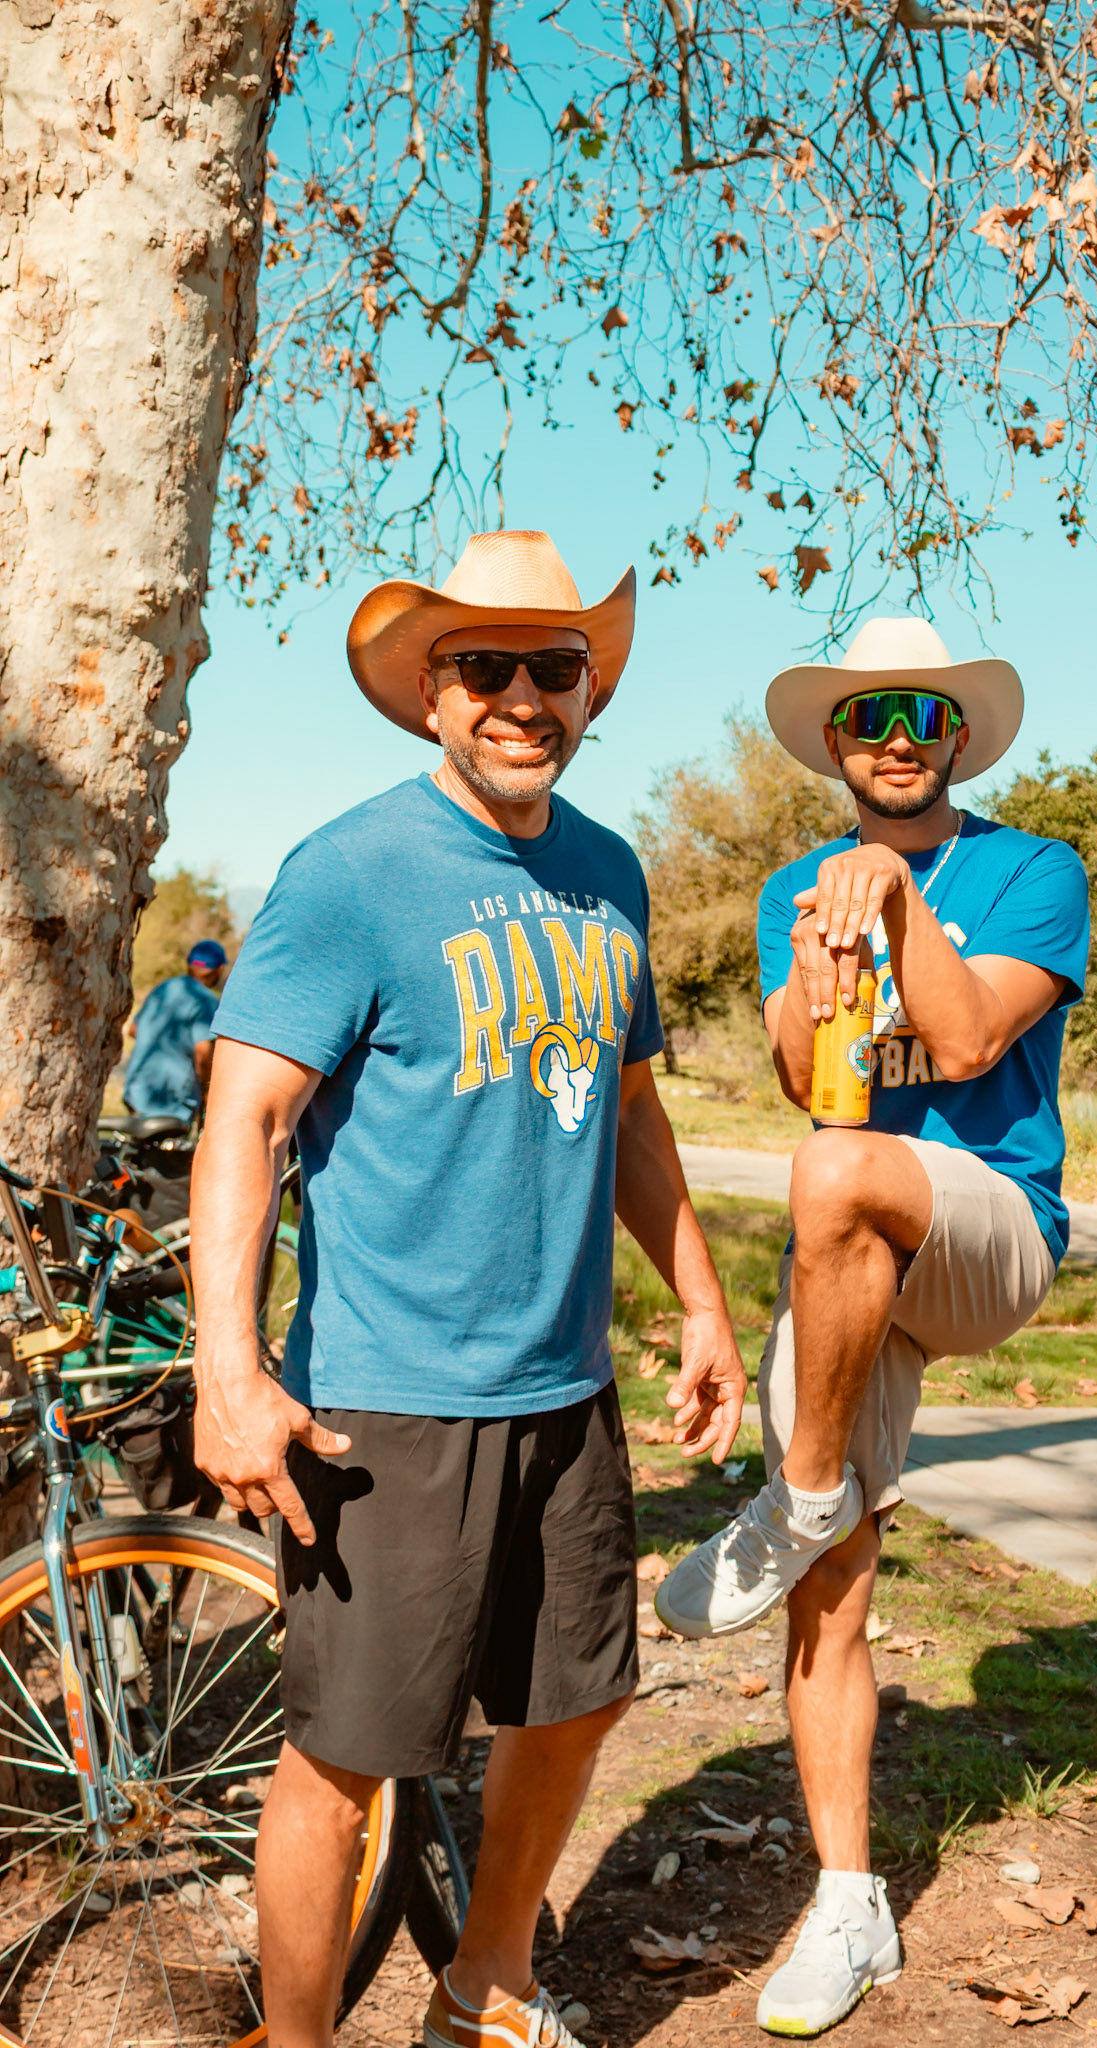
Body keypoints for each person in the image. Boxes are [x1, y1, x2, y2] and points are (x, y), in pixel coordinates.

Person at [190, 530, 747, 2048]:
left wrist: (700, 1300)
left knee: (580, 1698)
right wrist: (228, 1373)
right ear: (431, 695)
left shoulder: (609, 871)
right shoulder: (352, 872)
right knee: (348, 1758)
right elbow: (245, 1116)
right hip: (389, 1402)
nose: (519, 695)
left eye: (551, 666)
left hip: (567, 1384)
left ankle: (483, 1984)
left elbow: (632, 1108)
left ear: (589, 693)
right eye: (482, 665)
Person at [657, 616, 1090, 2037]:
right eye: (869, 716)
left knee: (838, 1177)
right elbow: (811, 1086)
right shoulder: (795, 887)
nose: (897, 737)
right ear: (835, 742)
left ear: (957, 733)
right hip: (856, 1256)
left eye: (922, 712)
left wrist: (899, 904)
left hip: (989, 1229)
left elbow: (965, 1046)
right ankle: (849, 1903)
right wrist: (813, 968)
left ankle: (794, 1492)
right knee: (830, 1577)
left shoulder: (1034, 871)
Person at [122, 938, 228, 1120]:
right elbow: (202, 1054)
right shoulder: (205, 1000)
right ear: (219, 969)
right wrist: (208, 1094)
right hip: (172, 1100)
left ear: (188, 963)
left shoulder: (163, 988)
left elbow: (133, 1029)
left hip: (136, 1090)